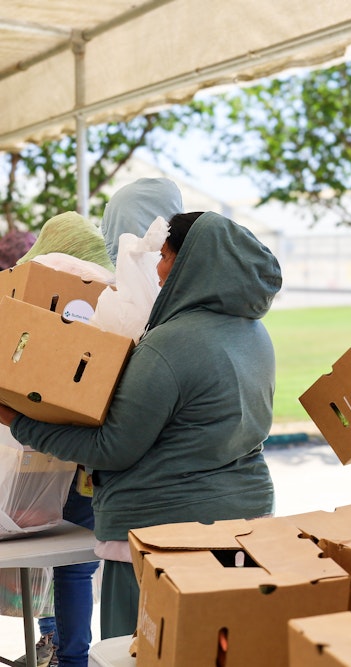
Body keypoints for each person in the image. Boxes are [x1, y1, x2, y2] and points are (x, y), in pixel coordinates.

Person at [0, 211, 280, 640]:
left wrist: (20, 422)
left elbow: (113, 446)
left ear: (194, 263)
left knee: (138, 650)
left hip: (160, 537)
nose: (159, 269)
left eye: (166, 256)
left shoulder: (169, 346)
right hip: (243, 524)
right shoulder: (255, 335)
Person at [9, 211, 114, 667]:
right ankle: (72, 658)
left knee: (39, 553)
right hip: (89, 455)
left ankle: (50, 640)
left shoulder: (24, 291)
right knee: (77, 565)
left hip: (30, 451)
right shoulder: (112, 300)